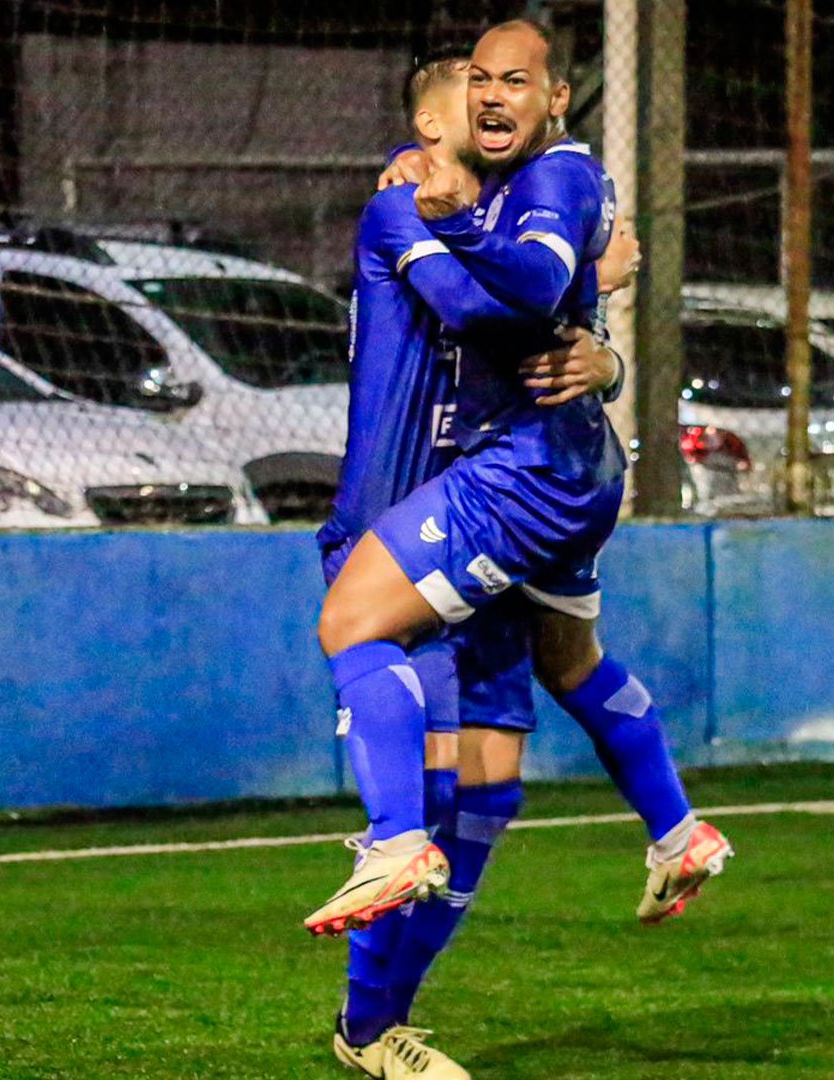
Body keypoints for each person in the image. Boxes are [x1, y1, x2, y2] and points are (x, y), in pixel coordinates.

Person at [315, 49, 632, 1077]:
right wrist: (585, 288)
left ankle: (377, 1027)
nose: (490, 110)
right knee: (433, 796)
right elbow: (488, 312)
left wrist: (604, 344)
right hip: (394, 521)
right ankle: (369, 997)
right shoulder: (405, 207)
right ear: (428, 125)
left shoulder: (508, 215)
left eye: (504, 95)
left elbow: (540, 320)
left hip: (479, 525)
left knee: (491, 797)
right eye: (468, 99)